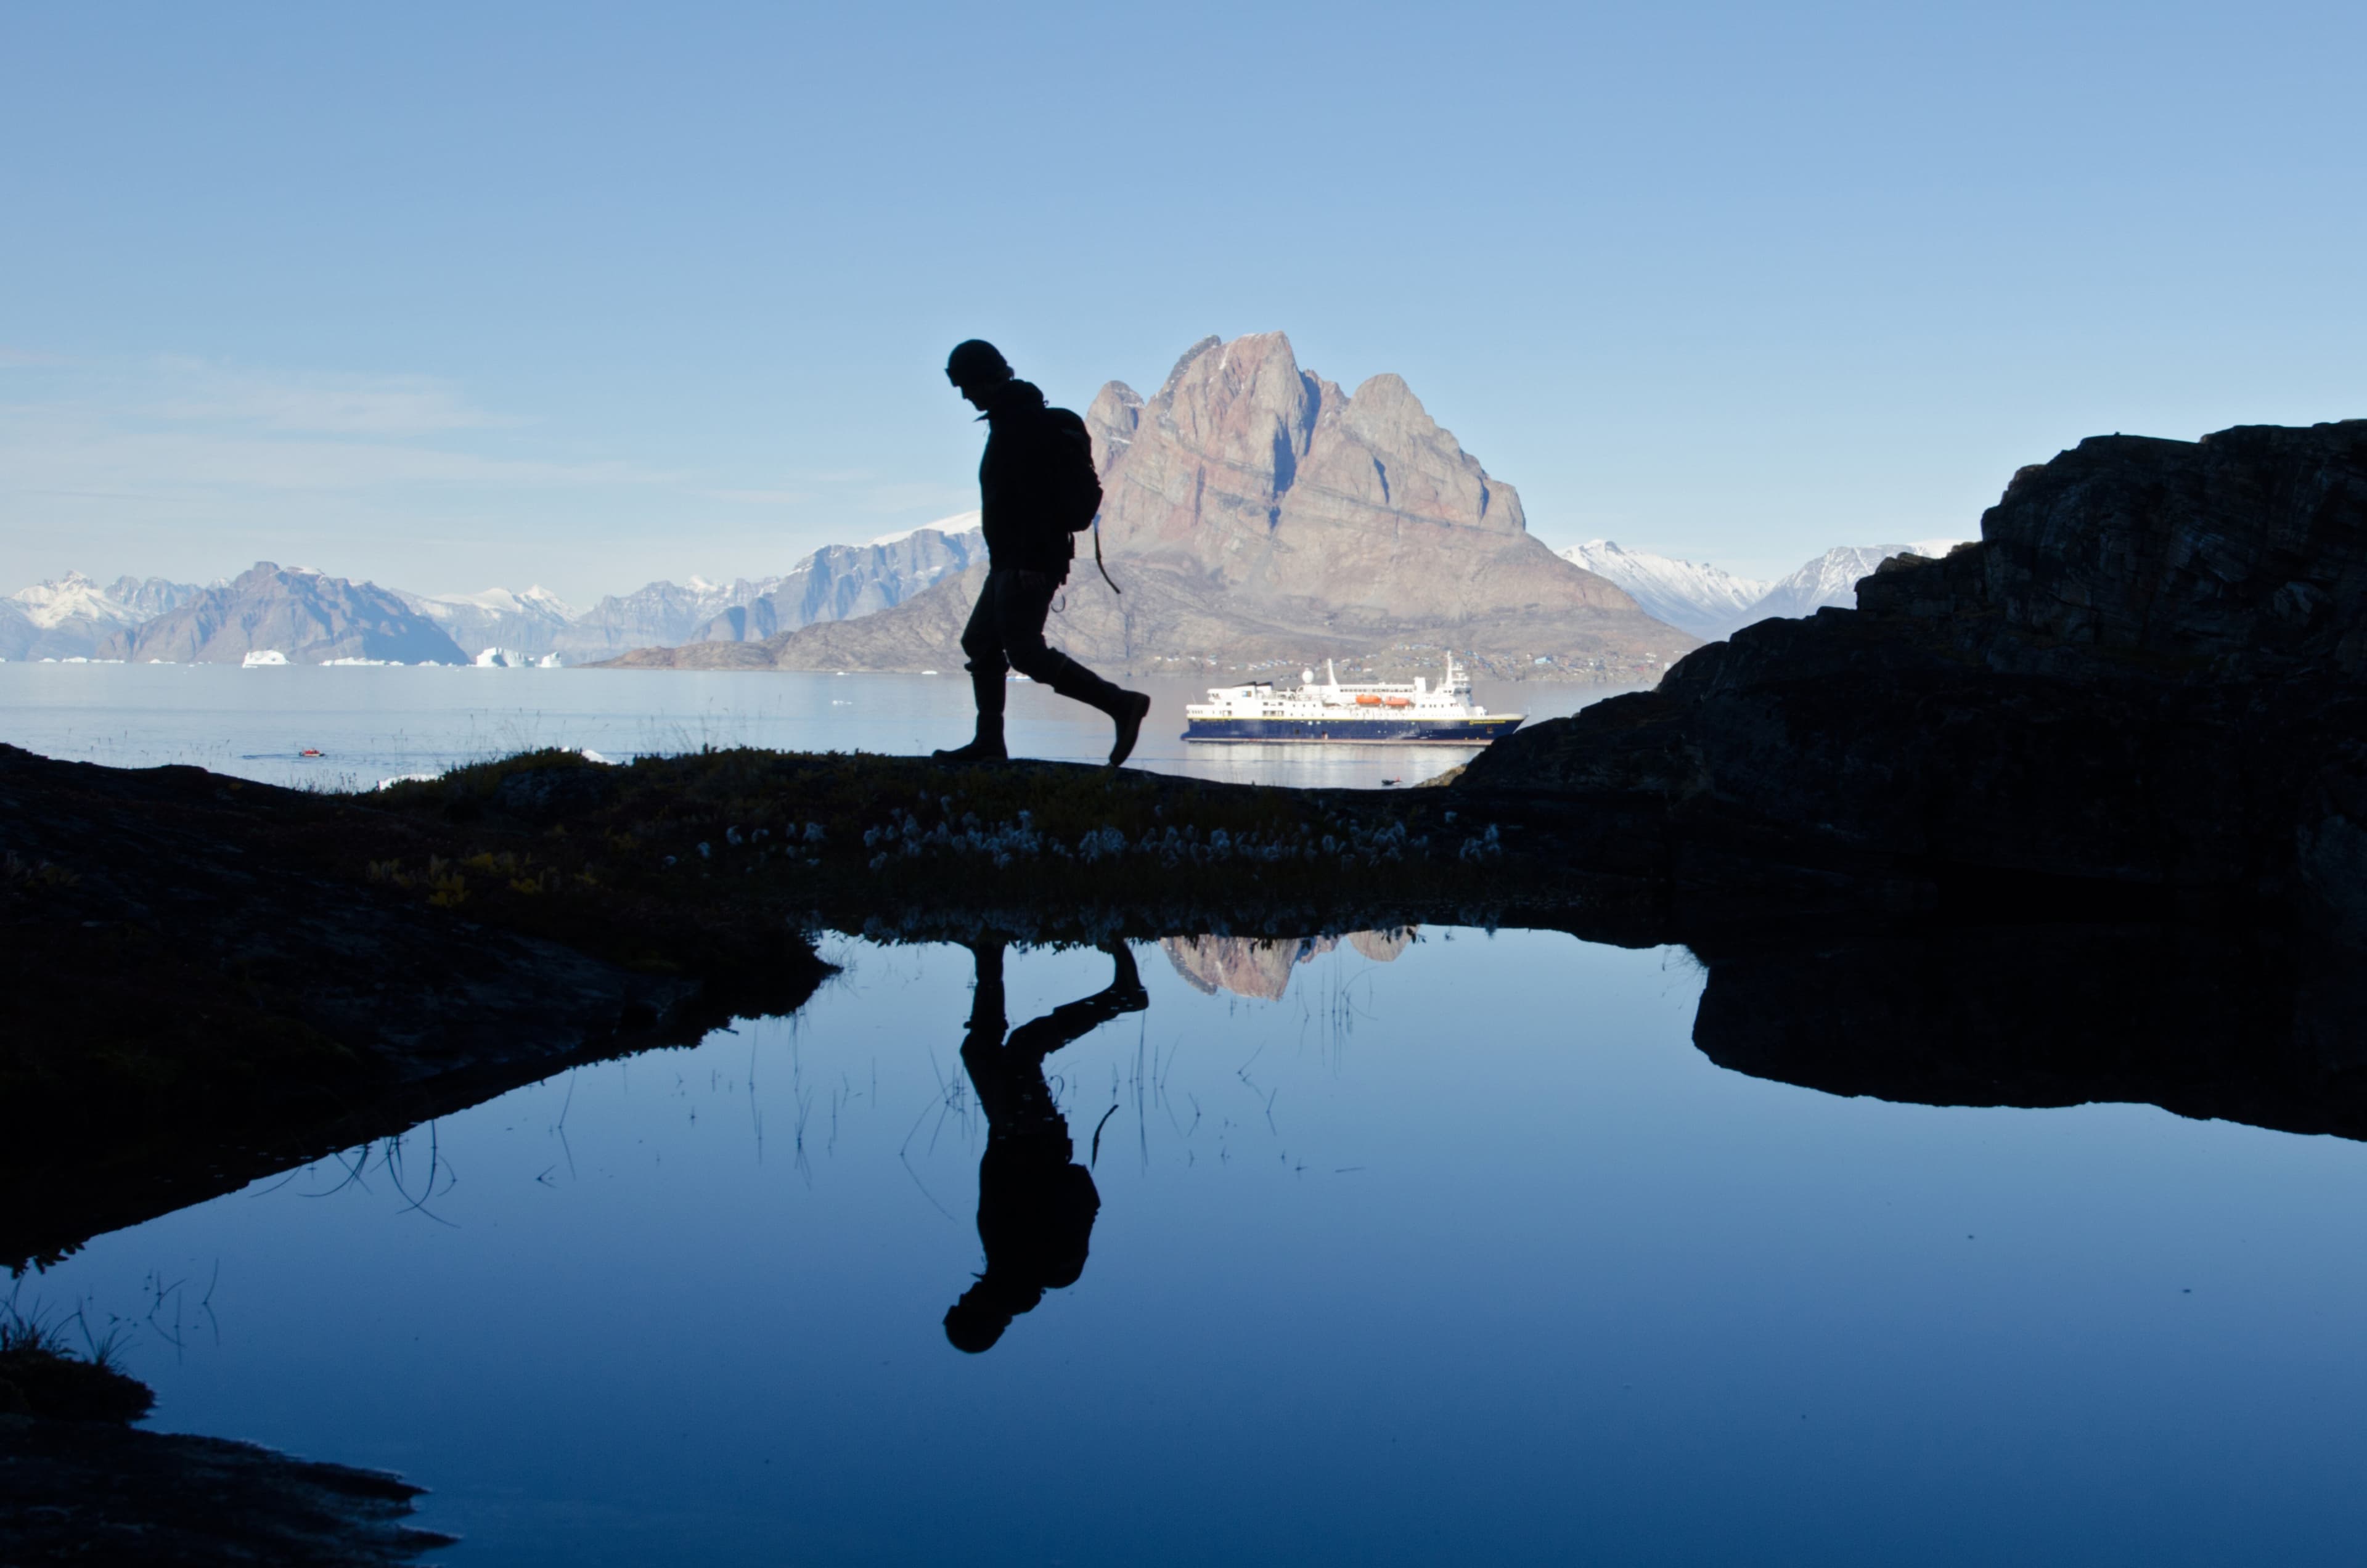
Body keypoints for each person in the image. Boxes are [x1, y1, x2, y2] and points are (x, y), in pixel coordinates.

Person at [934, 339, 1153, 767]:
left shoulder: (1022, 425)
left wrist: (1031, 561)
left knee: (1024, 650)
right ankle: (989, 743)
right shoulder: (1011, 421)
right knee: (980, 641)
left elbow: (1033, 501)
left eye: (966, 384)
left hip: (1027, 562)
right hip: (1012, 561)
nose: (964, 395)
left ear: (986, 378)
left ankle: (1121, 704)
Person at [942, 937, 1149, 1354]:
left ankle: (990, 954)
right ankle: (1120, 998)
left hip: (1018, 1137)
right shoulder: (1033, 1271)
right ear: (983, 1315)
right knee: (1013, 1048)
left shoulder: (1018, 1273)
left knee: (989, 1050)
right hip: (1028, 1138)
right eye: (963, 1307)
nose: (962, 1296)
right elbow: (1071, 1201)